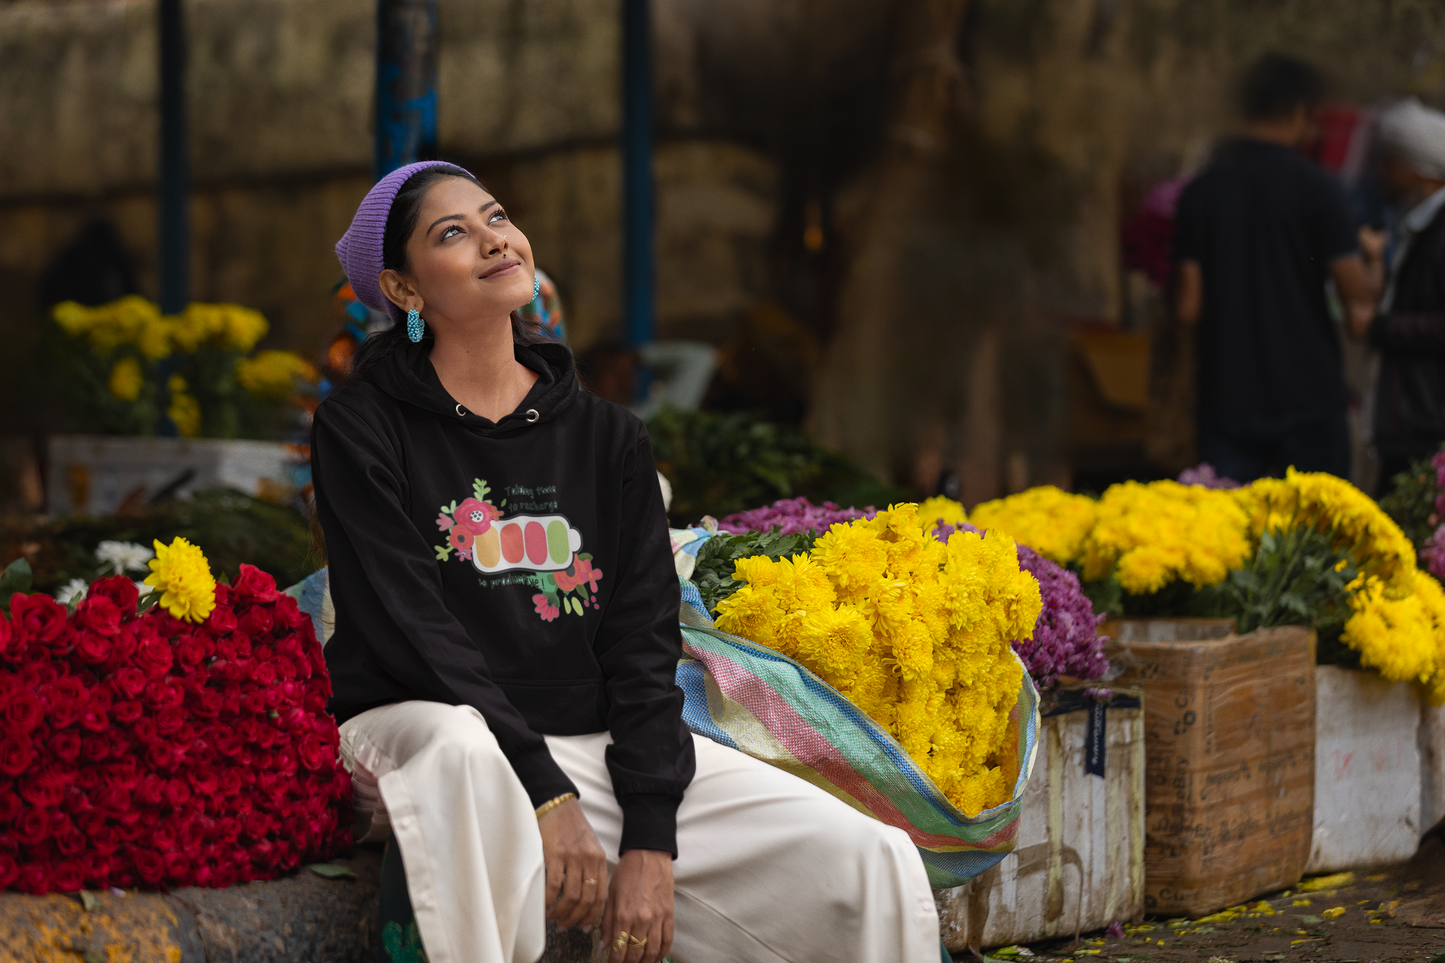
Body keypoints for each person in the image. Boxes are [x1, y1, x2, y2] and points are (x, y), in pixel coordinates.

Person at [311, 161, 942, 963]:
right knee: (465, 751)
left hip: (579, 737)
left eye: (495, 215)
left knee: (868, 860)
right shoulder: (363, 428)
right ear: (403, 291)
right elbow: (414, 629)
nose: (492, 238)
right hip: (419, 726)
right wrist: (545, 792)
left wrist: (650, 835)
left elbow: (643, 640)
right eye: (452, 233)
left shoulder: (607, 436)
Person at [1173, 53, 1385, 482]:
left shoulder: (1199, 192)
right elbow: (1358, 300)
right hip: (1308, 395)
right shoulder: (1320, 188)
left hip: (1226, 395)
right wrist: (1375, 257)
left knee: (1230, 540)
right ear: (1299, 110)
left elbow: (1187, 309)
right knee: (1319, 538)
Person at [1360, 98, 1445, 491]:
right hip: (1414, 421)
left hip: (1427, 424)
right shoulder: (1419, 223)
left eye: (1388, 162)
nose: (1381, 173)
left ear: (1416, 168)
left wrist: (1379, 328)